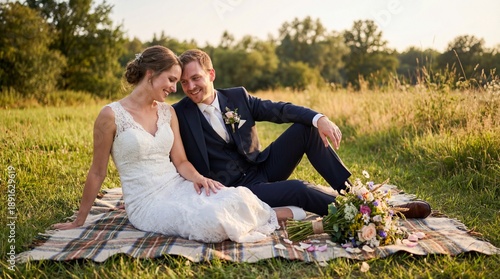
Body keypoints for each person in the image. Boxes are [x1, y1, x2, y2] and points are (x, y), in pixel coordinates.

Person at [53, 45, 284, 243]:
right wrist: (79, 219)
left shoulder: (168, 112)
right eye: (172, 80)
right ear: (151, 73)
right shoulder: (110, 116)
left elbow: (181, 161)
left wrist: (199, 179)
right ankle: (277, 215)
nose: (175, 88)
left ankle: (285, 214)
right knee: (210, 221)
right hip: (146, 202)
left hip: (178, 185)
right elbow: (97, 172)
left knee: (234, 196)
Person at [173, 49, 432, 219]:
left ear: (211, 74)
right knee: (299, 189)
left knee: (305, 129)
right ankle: (369, 212)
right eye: (184, 82)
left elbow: (279, 110)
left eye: (196, 78)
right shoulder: (179, 114)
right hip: (237, 189)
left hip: (261, 167)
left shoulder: (237, 96)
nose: (191, 87)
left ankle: (354, 194)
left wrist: (319, 118)